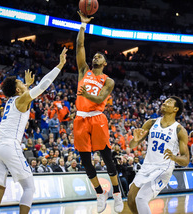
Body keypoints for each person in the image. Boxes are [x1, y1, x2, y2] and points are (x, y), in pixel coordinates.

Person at [0, 48, 67, 214]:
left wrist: (27, 86)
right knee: (29, 187)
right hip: (10, 146)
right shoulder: (21, 98)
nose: (23, 83)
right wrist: (60, 65)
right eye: (20, 83)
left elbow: (26, 98)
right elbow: (44, 85)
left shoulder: (11, 100)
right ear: (18, 90)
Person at [73, 11, 123, 213]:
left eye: (100, 56)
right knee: (85, 161)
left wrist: (86, 94)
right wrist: (83, 25)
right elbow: (80, 46)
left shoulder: (108, 80)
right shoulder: (83, 70)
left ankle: (118, 194)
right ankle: (99, 192)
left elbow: (101, 99)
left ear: (104, 63)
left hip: (97, 118)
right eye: (95, 55)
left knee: (107, 157)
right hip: (80, 119)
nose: (96, 56)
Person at [127, 96, 189, 214]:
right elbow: (132, 145)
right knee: (131, 199)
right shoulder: (151, 123)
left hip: (163, 168)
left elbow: (186, 160)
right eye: (165, 101)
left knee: (141, 198)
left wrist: (174, 157)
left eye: (169, 102)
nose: (164, 103)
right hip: (147, 166)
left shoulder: (179, 130)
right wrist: (135, 140)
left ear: (175, 109)